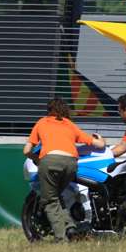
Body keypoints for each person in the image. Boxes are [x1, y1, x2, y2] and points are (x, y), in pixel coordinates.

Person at [24, 97, 106, 242]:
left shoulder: (42, 122)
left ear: (49, 111)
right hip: (71, 164)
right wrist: (101, 140)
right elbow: (98, 144)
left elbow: (26, 151)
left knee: (49, 201)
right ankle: (70, 227)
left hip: (50, 162)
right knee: (57, 197)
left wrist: (36, 159)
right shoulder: (69, 125)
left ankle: (61, 239)